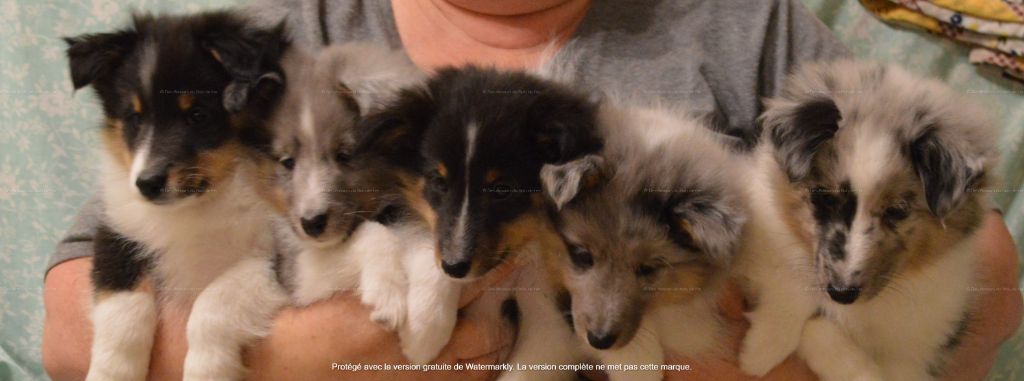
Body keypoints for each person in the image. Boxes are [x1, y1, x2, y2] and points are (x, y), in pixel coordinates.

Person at [42, 0, 1022, 380]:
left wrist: (732, 351)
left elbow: (975, 282)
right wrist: (306, 352)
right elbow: (70, 318)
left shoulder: (735, 19)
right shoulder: (296, 27)